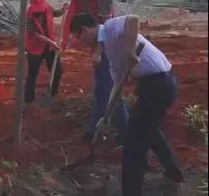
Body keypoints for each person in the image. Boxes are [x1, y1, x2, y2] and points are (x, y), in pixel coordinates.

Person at [70, 13, 185, 195]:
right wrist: (106, 117)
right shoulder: (109, 50)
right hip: (152, 87)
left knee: (133, 142)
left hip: (160, 84)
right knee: (150, 130)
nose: (81, 42)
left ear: (83, 31)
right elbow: (116, 86)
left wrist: (130, 50)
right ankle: (174, 174)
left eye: (78, 37)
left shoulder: (109, 28)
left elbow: (133, 19)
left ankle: (131, 191)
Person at [28, 0, 128, 140]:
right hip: (96, 43)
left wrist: (98, 51)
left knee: (109, 88)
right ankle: (93, 129)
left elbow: (106, 27)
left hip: (109, 43)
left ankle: (124, 131)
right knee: (101, 88)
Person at [24, 0, 68, 104]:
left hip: (49, 47)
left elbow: (55, 13)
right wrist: (52, 43)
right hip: (35, 48)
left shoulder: (48, 7)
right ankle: (28, 99)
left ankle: (52, 94)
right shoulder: (29, 15)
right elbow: (35, 35)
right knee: (32, 74)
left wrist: (63, 10)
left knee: (57, 71)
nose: (40, 10)